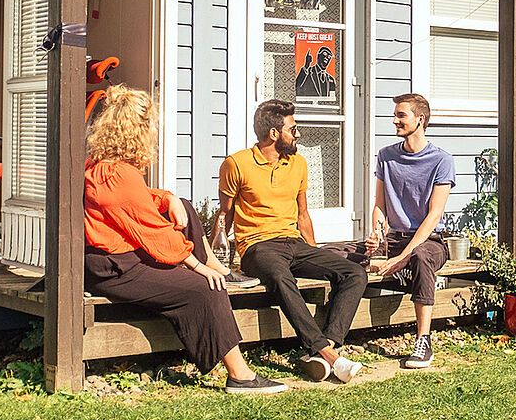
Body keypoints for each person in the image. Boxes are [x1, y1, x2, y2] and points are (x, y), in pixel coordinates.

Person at [83, 85, 287, 394]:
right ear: (138, 131)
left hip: (109, 261)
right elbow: (154, 232)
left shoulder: (101, 166)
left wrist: (168, 197)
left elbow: (137, 201)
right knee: (206, 288)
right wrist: (195, 265)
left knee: (187, 210)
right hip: (114, 269)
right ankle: (241, 376)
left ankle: (217, 268)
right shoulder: (119, 175)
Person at [220, 99, 368, 383]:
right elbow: (224, 215)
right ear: (274, 134)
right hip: (257, 247)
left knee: (354, 272)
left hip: (295, 243)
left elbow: (303, 213)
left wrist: (315, 255)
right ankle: (329, 355)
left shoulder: (298, 163)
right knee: (280, 276)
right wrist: (217, 260)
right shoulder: (236, 164)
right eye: (293, 129)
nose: (298, 134)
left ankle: (325, 348)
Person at [365, 93, 456, 369]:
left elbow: (433, 216)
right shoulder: (387, 157)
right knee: (343, 252)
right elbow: (380, 206)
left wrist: (403, 256)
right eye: (395, 115)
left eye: (401, 115)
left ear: (420, 119)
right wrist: (377, 236)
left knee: (420, 258)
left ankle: (423, 341)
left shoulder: (442, 160)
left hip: (430, 240)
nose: (395, 120)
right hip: (395, 238)